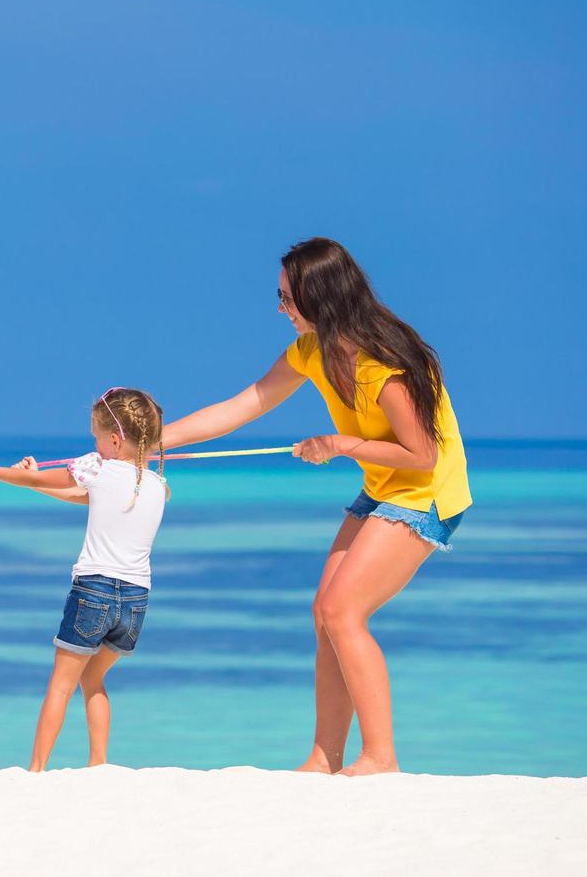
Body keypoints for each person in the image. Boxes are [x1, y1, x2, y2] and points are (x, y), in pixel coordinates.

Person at [162, 237, 470, 776]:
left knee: (342, 612)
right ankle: (324, 758)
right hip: (384, 486)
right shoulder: (311, 353)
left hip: (427, 492)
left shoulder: (385, 366)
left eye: (287, 297)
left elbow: (423, 455)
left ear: (320, 297)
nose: (280, 309)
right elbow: (240, 407)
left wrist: (340, 444)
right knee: (323, 613)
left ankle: (380, 758)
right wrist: (152, 443)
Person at [0, 388, 168, 771]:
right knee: (94, 679)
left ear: (116, 439)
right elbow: (84, 497)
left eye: (97, 438)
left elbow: (63, 484)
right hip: (136, 602)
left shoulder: (97, 469)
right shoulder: (158, 486)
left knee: (61, 683)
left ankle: (36, 769)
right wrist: (36, 479)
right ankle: (99, 763)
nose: (95, 445)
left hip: (94, 592)